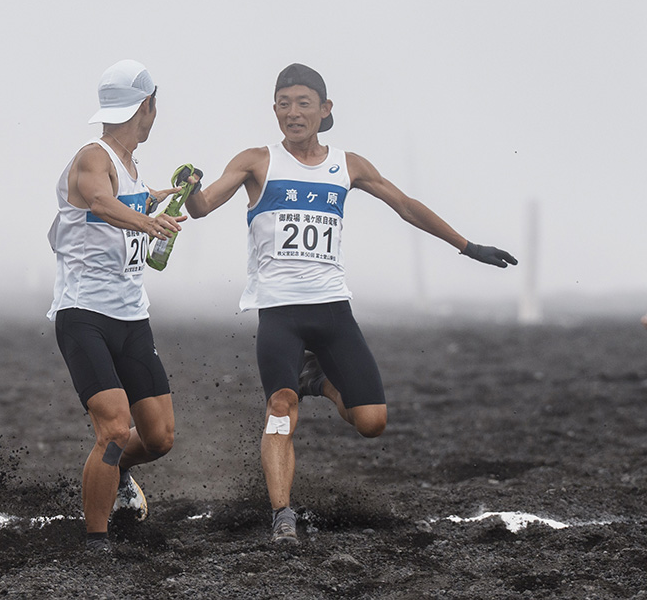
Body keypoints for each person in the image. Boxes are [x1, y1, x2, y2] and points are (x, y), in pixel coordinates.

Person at [185, 63, 517, 544]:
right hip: (279, 314)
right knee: (280, 409)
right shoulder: (257, 161)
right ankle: (282, 516)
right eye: (284, 104)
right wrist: (191, 188)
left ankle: (317, 380)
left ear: (325, 109)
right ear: (274, 110)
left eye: (303, 103)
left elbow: (405, 206)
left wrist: (467, 247)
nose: (293, 113)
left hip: (333, 312)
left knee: (372, 422)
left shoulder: (349, 164)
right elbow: (201, 207)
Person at [46, 59, 185, 552]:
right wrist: (147, 223)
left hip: (132, 319)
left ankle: (117, 472)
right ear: (148, 106)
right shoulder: (93, 156)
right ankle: (97, 541)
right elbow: (101, 203)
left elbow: (122, 198)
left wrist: (152, 201)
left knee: (159, 437)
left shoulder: (129, 167)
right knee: (114, 428)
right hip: (84, 317)